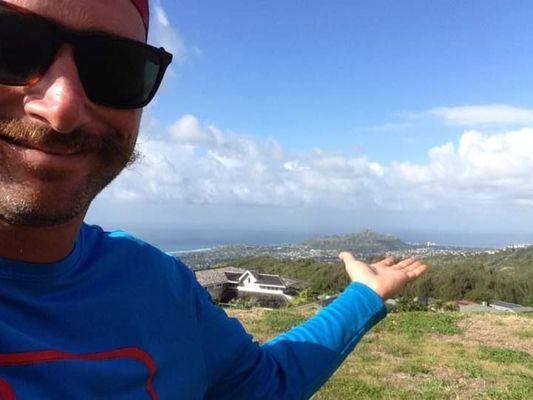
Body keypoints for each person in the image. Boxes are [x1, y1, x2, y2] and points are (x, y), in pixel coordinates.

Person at [0, 0, 428, 398]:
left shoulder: (156, 284)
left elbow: (262, 383)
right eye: (12, 44)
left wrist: (364, 295)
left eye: (115, 68)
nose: (62, 107)